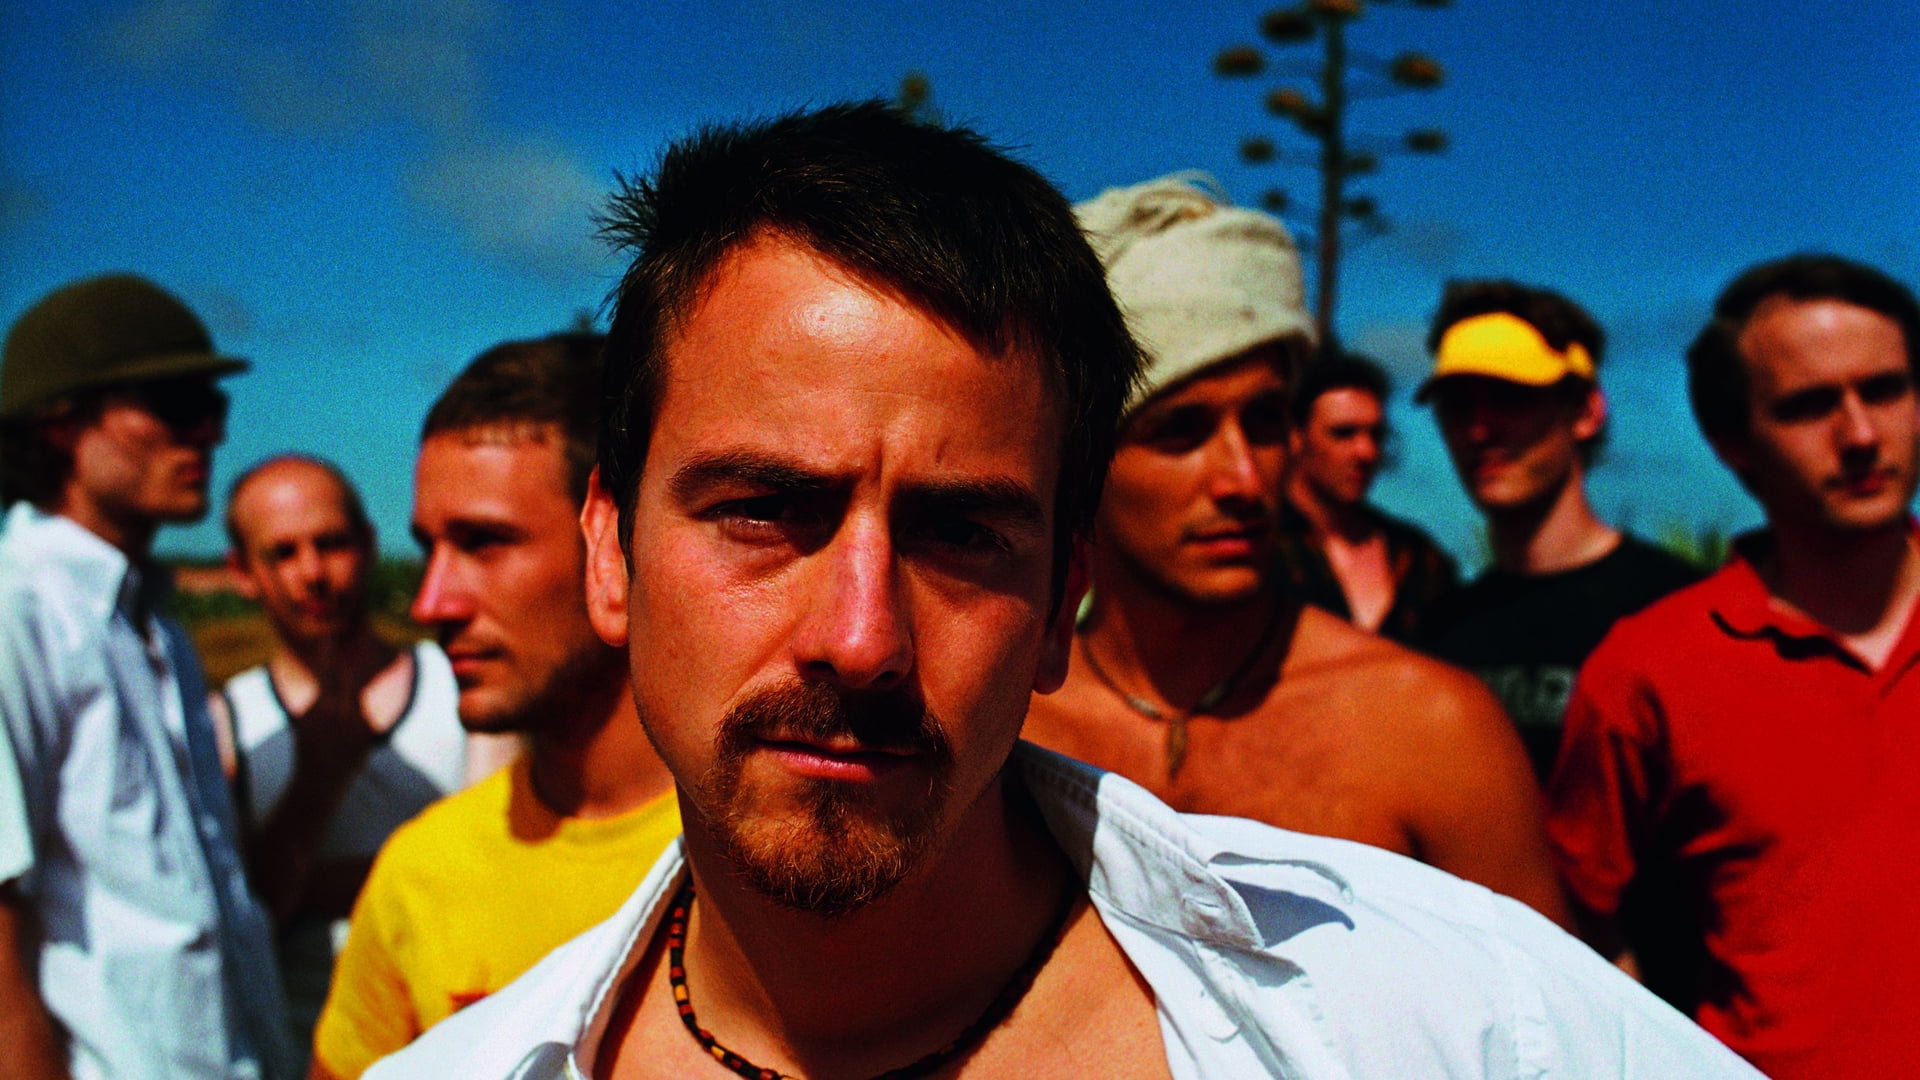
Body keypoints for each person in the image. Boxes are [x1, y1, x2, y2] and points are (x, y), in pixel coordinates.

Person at [366, 104, 1755, 1080]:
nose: (861, 636)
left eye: (963, 534)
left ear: (1055, 598)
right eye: (765, 513)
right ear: (612, 553)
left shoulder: (1443, 1013)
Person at [1022, 175, 1566, 923]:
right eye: (1180, 431)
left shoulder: (1428, 727)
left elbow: (1547, 1028)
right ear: (1083, 462)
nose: (1243, 479)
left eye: (1268, 422)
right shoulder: (1006, 722)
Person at [1548, 255, 1920, 1079]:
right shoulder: (1647, 671)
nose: (1860, 435)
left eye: (1886, 390)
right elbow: (1575, 931)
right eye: (1808, 406)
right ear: (1729, 441)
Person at [308, 334, 679, 1079]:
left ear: (614, 538)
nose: (430, 602)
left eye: (484, 543)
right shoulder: (420, 873)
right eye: (429, 548)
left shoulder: (767, 864)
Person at [0, 275, 295, 1079]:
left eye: (213, 405)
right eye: (172, 403)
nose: (205, 433)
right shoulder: (15, 617)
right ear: (61, 424)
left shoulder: (158, 628)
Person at [211, 454, 514, 1062]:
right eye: (283, 553)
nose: (313, 574)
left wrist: (320, 882)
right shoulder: (227, 722)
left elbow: (493, 879)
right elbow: (230, 931)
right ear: (243, 573)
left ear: (370, 545)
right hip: (296, 1054)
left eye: (332, 544)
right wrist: (319, 779)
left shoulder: (463, 687)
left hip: (456, 1048)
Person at [1418, 281, 1699, 779]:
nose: (1480, 429)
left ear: (1587, 410)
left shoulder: (1681, 613)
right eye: (1458, 405)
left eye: (1510, 397)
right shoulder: (1435, 635)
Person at [1278, 351, 1458, 643]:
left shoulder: (1418, 557)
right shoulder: (1257, 550)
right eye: (1343, 433)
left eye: (1376, 434)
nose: (1366, 451)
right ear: (1296, 437)